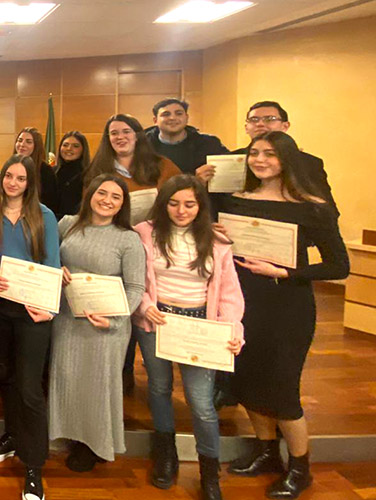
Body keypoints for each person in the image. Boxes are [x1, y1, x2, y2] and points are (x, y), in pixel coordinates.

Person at [220, 131, 348, 499]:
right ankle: (265, 453)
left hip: (287, 308)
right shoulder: (237, 201)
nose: (259, 160)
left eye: (270, 154)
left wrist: (287, 273)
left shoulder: (312, 206)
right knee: (247, 382)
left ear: (286, 159)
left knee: (282, 389)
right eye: (255, 153)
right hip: (243, 305)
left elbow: (339, 265)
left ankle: (299, 467)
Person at [132, 175, 245, 500]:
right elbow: (136, 278)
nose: (181, 210)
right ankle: (165, 454)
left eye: (190, 204)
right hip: (157, 321)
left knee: (201, 403)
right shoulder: (145, 233)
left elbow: (229, 294)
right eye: (174, 203)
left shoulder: (217, 241)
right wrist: (145, 305)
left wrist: (232, 328)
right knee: (159, 388)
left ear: (200, 206)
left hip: (200, 326)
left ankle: (210, 470)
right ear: (163, 204)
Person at [49, 174, 145, 472]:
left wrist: (114, 318)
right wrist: (58, 268)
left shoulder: (127, 239)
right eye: (102, 193)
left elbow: (136, 289)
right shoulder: (68, 224)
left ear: (122, 204)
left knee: (97, 384)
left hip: (106, 324)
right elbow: (49, 258)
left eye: (116, 197)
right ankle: (70, 434)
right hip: (68, 317)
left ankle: (94, 443)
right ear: (90, 193)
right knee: (67, 377)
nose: (107, 200)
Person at [0, 154, 60, 500]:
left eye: (21, 178)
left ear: (30, 183)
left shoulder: (45, 216)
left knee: (29, 388)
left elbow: (53, 264)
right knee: (6, 376)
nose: (13, 183)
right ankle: (12, 436)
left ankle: (33, 467)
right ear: (1, 179)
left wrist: (50, 310)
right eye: (9, 176)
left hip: (32, 311)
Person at [86, 114, 181, 391]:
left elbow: (183, 200)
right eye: (113, 133)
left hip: (159, 252)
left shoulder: (162, 167)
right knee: (117, 312)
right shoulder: (98, 170)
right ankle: (121, 380)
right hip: (113, 251)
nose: (120, 137)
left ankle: (160, 386)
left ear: (138, 134)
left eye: (126, 131)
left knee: (148, 313)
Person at [209, 101, 337, 216]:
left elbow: (327, 209)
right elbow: (217, 204)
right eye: (254, 119)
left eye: (269, 119)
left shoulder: (309, 163)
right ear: (246, 128)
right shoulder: (230, 160)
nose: (260, 124)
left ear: (285, 126)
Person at [144, 98, 229, 175]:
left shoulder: (209, 144)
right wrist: (195, 181)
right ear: (155, 120)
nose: (173, 118)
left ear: (186, 118)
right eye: (166, 114)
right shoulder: (142, 146)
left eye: (179, 113)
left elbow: (228, 169)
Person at [13, 126, 59, 211]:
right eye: (19, 140)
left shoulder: (46, 171)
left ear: (36, 146)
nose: (22, 144)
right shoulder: (11, 166)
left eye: (28, 142)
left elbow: (51, 204)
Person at [52, 131, 89, 220]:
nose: (69, 148)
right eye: (65, 145)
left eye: (75, 146)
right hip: (50, 222)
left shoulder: (89, 174)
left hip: (76, 223)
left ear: (83, 150)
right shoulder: (52, 172)